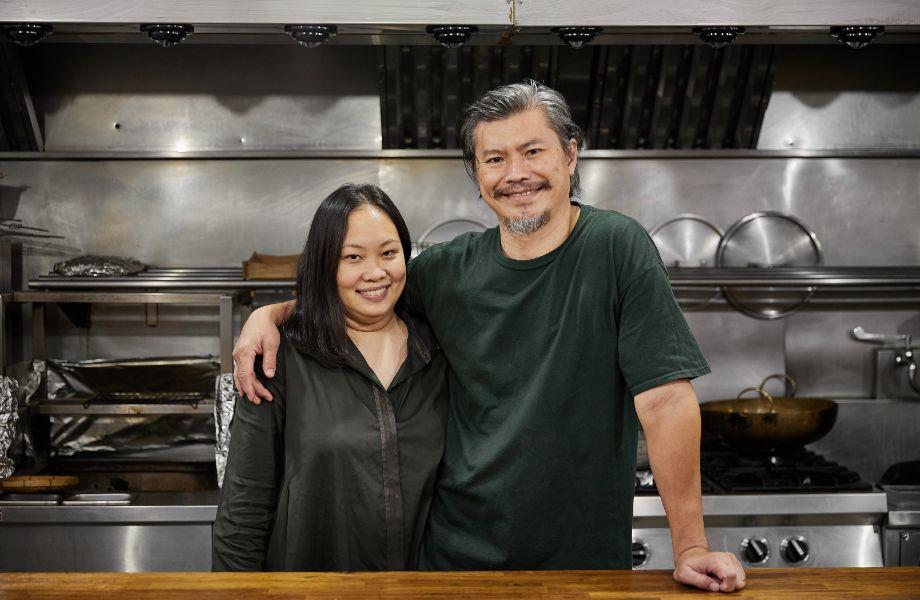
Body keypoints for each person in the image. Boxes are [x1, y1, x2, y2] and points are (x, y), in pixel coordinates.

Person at [232, 81, 746, 592]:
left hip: (582, 563)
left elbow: (666, 401)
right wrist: (270, 314)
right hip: (455, 564)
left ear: (570, 156)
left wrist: (691, 546)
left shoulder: (616, 247)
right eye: (494, 159)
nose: (515, 173)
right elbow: (363, 290)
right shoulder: (444, 272)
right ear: (477, 176)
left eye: (532, 151)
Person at [213, 184, 448, 571]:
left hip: (422, 590)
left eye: (389, 253)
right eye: (353, 257)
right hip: (311, 589)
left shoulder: (437, 350)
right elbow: (244, 509)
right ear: (325, 265)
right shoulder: (278, 357)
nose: (376, 272)